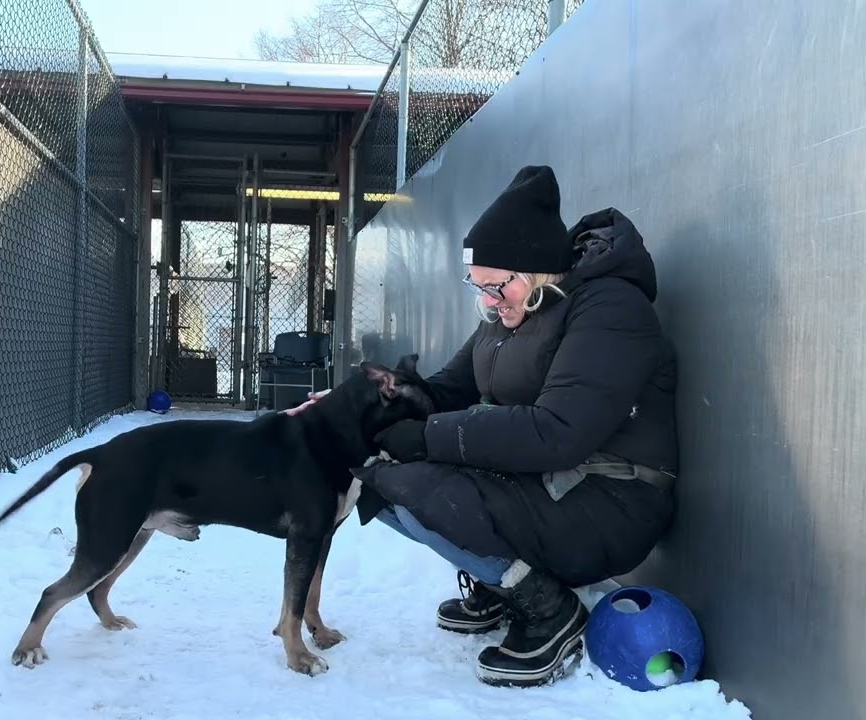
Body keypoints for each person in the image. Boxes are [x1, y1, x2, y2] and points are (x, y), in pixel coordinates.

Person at [286, 165, 677, 688]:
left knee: (416, 486)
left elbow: (558, 432)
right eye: (479, 286)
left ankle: (548, 609)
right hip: (550, 484)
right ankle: (504, 586)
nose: (488, 300)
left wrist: (426, 438)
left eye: (497, 286)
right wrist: (350, 408)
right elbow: (444, 391)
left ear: (536, 271)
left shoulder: (610, 310)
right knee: (374, 474)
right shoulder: (510, 312)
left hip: (610, 502)